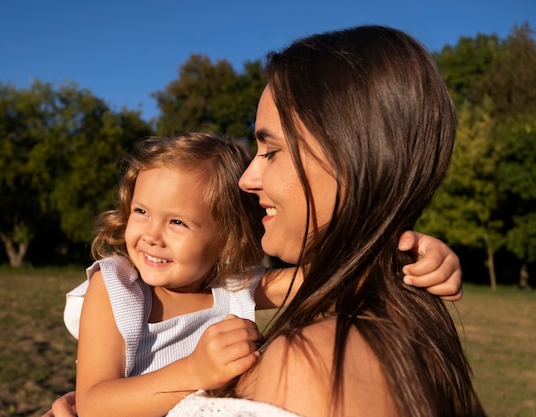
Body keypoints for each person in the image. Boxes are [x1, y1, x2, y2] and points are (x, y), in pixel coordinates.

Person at [165, 25, 486, 416]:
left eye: (271, 151)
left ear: (350, 159)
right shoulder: (411, 327)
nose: (246, 180)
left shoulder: (308, 366)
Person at [44, 126, 463, 417]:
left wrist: (411, 254)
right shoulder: (117, 286)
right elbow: (96, 405)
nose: (151, 235)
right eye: (141, 212)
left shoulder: (234, 288)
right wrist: (195, 372)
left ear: (225, 237)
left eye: (177, 223)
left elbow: (334, 275)